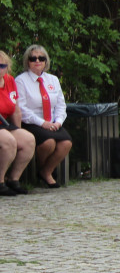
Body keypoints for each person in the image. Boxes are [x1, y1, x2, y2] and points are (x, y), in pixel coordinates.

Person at [16, 45, 73, 188]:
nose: (37, 61)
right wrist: (42, 123)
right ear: (27, 61)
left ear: (46, 61)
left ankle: (45, 171)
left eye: (41, 58)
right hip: (32, 122)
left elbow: (61, 105)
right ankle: (44, 171)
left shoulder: (53, 80)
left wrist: (58, 122)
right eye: (33, 58)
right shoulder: (21, 81)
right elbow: (21, 108)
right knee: (49, 143)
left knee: (66, 143)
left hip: (52, 122)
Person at [0, 51, 34, 196]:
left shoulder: (10, 81)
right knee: (8, 141)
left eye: (2, 65)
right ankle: (0, 181)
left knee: (28, 140)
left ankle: (13, 179)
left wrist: (18, 130)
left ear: (7, 67)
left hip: (3, 124)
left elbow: (15, 110)